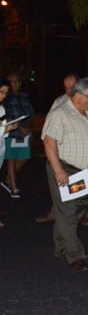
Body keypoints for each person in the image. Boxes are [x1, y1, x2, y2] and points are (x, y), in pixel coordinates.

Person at [41, 77, 88, 272]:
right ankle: (75, 255)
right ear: (77, 94)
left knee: (74, 211)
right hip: (67, 170)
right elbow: (49, 143)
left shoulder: (86, 112)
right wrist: (58, 170)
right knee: (68, 213)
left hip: (85, 173)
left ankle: (61, 246)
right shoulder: (60, 114)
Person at [35, 74, 88, 224]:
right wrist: (58, 169)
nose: (69, 91)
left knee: (76, 207)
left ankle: (78, 219)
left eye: (72, 87)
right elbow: (50, 138)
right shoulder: (60, 106)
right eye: (66, 88)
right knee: (68, 211)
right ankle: (71, 246)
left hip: (86, 167)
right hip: (68, 165)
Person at [0, 72, 34, 198]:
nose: (15, 84)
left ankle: (8, 179)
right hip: (12, 132)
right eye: (12, 81)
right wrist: (19, 126)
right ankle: (14, 188)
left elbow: (30, 112)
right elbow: (6, 118)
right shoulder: (6, 98)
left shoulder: (24, 96)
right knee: (12, 158)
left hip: (23, 131)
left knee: (24, 157)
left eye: (17, 81)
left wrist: (28, 126)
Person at [0, 77, 20, 226]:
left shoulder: (1, 108)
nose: (3, 96)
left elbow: (3, 129)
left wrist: (9, 128)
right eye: (1, 92)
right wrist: (5, 128)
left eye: (5, 93)